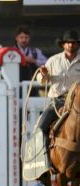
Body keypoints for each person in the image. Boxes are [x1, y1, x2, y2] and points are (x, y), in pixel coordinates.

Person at [35, 29, 80, 158]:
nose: (70, 45)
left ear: (77, 44)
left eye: (73, 42)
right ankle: (42, 160)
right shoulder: (53, 61)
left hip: (77, 102)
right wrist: (43, 74)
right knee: (40, 127)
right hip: (57, 101)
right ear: (63, 44)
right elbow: (41, 81)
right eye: (68, 42)